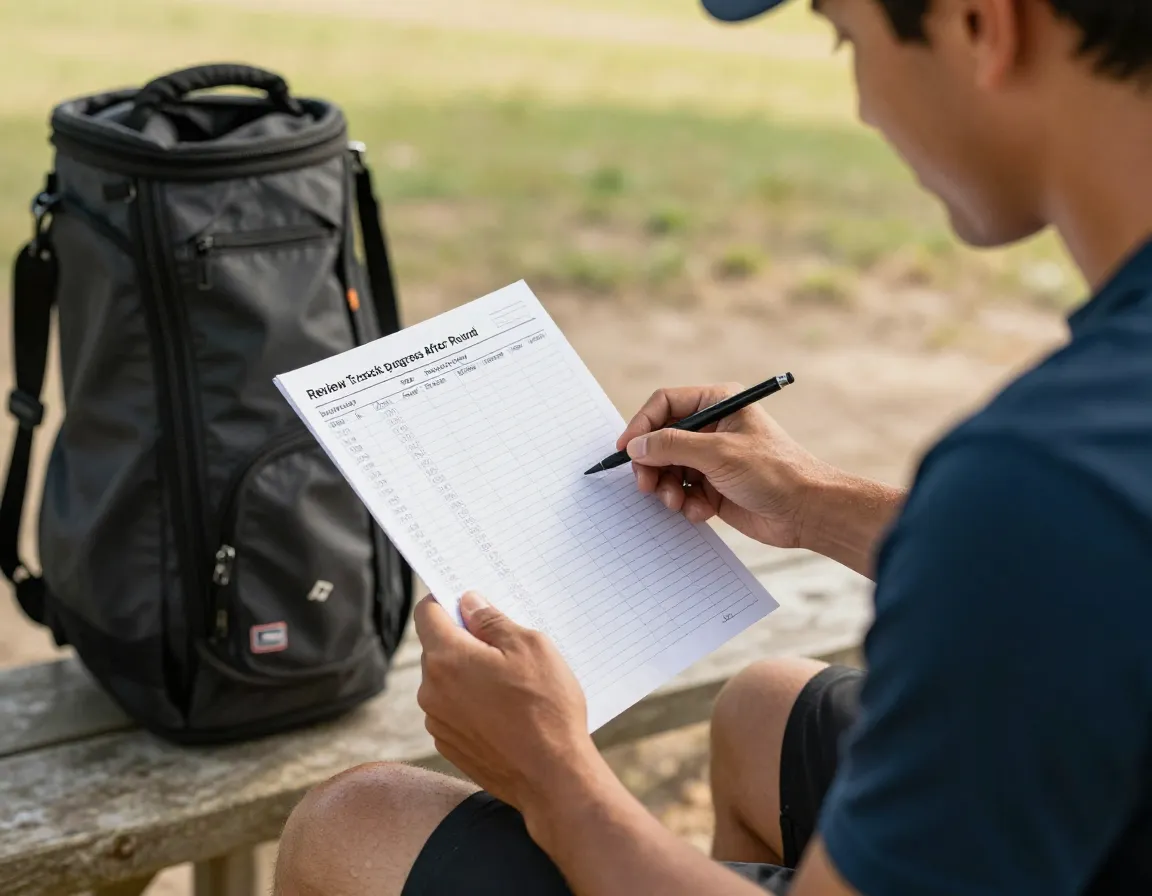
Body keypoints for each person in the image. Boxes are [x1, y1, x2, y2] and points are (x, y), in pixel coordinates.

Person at [273, 0, 1152, 893]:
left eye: (848, 37)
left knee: (354, 825)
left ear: (981, 25)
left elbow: (1054, 536)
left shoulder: (1040, 478)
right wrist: (810, 499)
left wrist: (554, 780)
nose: (863, 105)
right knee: (766, 706)